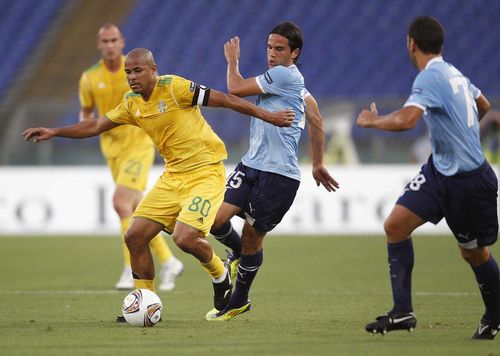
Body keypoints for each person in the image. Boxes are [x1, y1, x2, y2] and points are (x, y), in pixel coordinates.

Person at [23, 48, 295, 320]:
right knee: (134, 236)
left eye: (138, 70)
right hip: (172, 176)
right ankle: (145, 301)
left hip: (205, 173)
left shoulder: (175, 87)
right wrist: (55, 131)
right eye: (128, 72)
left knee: (184, 238)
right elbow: (95, 126)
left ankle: (219, 273)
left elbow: (224, 99)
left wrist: (267, 115)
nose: (131, 76)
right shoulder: (132, 103)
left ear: (154, 70)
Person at [356, 16, 499, 339]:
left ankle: (495, 315)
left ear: (411, 44)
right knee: (395, 225)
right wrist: (459, 129)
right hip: (439, 172)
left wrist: (371, 122)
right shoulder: (454, 73)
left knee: (473, 253)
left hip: (468, 181)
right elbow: (484, 104)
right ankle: (402, 311)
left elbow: (407, 121)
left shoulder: (429, 77)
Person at [206, 22, 339, 321]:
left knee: (253, 236)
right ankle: (238, 255)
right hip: (251, 164)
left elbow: (234, 89)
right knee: (214, 221)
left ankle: (239, 300)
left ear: (294, 53)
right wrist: (318, 162)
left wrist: (232, 61)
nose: (272, 54)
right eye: (269, 47)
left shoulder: (283, 76)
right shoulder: (299, 86)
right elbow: (316, 120)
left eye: (279, 49)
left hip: (278, 176)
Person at [79, 23, 183, 291]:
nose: (110, 45)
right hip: (112, 151)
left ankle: (130, 268)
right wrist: (86, 127)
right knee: (136, 212)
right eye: (105, 41)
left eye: (114, 40)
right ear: (99, 44)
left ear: (121, 41)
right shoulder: (89, 78)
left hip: (139, 145)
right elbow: (87, 113)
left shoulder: (136, 68)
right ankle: (169, 261)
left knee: (119, 202)